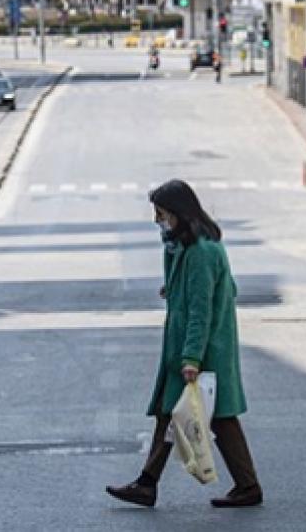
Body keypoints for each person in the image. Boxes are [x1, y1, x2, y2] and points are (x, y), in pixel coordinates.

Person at [106, 180, 262, 509]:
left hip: (202, 350)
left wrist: (191, 356)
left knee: (211, 416)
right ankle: (149, 483)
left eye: (161, 213)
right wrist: (175, 288)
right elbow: (225, 287)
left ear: (178, 212)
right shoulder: (187, 247)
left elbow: (200, 310)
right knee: (180, 415)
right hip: (196, 347)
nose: (157, 220)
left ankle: (245, 486)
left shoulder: (200, 251)